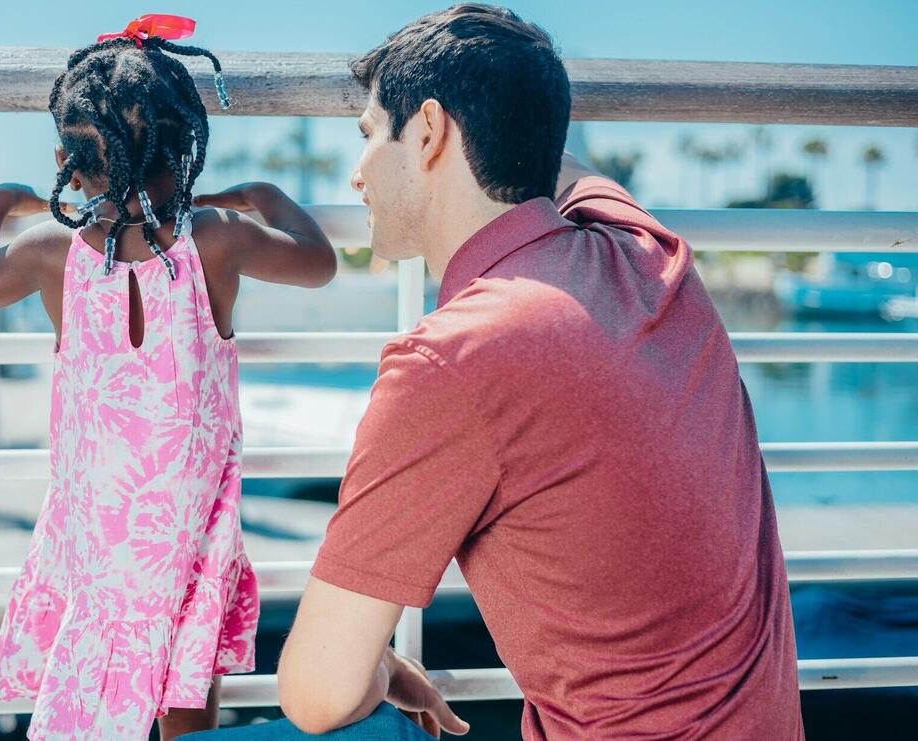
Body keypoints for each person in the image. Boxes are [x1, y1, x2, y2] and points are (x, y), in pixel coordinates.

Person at [186, 4, 803, 739]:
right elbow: (556, 165)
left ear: (430, 131)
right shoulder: (647, 251)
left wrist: (378, 665)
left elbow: (316, 693)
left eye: (368, 135)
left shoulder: (452, 361)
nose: (355, 176)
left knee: (365, 726)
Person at [0, 16, 337, 741]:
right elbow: (319, 260)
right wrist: (261, 193)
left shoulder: (51, 253)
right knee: (187, 689)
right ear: (184, 146)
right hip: (187, 530)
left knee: (87, 685)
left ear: (66, 159)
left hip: (96, 537)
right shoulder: (216, 238)